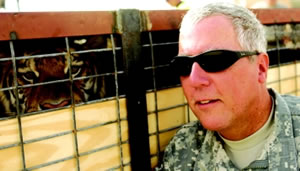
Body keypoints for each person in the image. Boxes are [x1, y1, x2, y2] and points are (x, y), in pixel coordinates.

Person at [157, 2, 300, 170]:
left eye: (214, 60)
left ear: (260, 68)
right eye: (183, 65)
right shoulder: (183, 149)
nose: (195, 80)